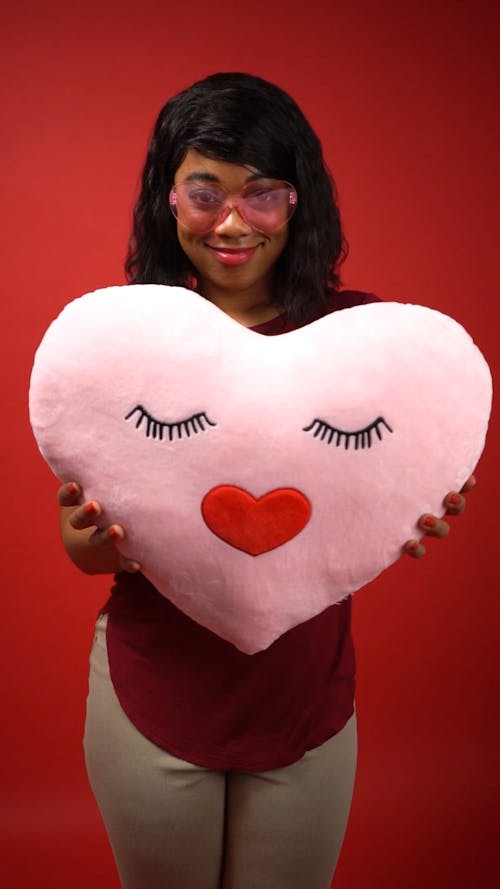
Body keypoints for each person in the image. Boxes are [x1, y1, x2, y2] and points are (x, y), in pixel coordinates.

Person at [57, 73, 474, 889]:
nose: (233, 221)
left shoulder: (360, 341)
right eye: (205, 190)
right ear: (168, 197)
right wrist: (88, 542)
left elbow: (377, 491)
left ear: (299, 200)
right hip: (155, 696)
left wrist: (409, 505)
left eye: (264, 194)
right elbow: (84, 545)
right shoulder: (129, 339)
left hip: (304, 706)